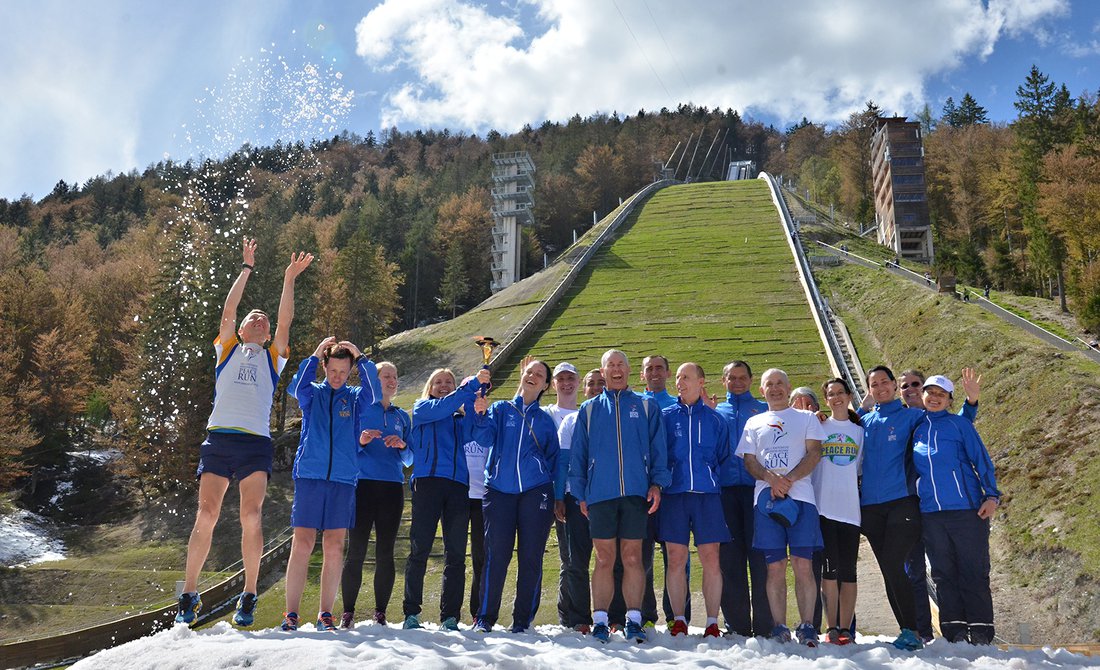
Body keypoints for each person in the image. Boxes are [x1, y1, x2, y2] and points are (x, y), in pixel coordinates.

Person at [176, 239, 312, 627]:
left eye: (264, 321)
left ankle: (249, 593)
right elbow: (228, 310)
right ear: (240, 329)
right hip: (219, 439)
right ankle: (188, 594)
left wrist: (289, 278)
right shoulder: (227, 349)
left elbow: (286, 321)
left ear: (268, 335)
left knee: (251, 515)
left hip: (255, 444)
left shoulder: (273, 357)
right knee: (207, 513)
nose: (260, 320)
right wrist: (246, 268)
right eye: (253, 317)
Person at [569, 349, 671, 643]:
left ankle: (634, 620)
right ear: (602, 372)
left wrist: (657, 483)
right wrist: (581, 493)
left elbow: (659, 449)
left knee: (633, 557)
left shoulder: (647, 405)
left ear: (628, 370)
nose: (616, 369)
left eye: (620, 365)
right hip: (600, 494)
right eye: (610, 365)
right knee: (604, 558)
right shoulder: (589, 409)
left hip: (636, 493)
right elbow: (578, 455)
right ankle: (600, 621)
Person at [283, 338, 380, 632]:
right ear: (324, 367)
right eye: (333, 370)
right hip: (310, 476)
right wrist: (314, 355)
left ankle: (325, 614)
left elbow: (375, 391)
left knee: (335, 546)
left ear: (350, 371)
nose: (337, 377)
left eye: (343, 371)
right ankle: (291, 615)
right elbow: (295, 387)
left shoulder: (355, 398)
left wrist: (361, 358)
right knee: (302, 543)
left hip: (343, 479)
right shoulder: (312, 394)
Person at [736, 368, 825, 646]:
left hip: (801, 499)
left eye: (779, 384)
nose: (775, 389)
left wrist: (789, 479)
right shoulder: (754, 422)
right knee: (774, 566)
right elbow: (749, 461)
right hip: (766, 501)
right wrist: (771, 479)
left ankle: (807, 625)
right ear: (762, 390)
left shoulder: (807, 418)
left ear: (788, 387)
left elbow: (815, 453)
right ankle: (779, 626)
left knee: (802, 564)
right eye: (769, 384)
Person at [471, 360, 562, 633]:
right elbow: (484, 439)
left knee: (531, 556)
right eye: (529, 371)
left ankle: (522, 621)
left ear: (546, 385)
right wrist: (480, 415)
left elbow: (554, 460)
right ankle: (485, 618)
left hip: (536, 492)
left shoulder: (545, 421)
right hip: (499, 491)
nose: (533, 376)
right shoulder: (500, 409)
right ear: (522, 375)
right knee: (496, 555)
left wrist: (551, 493)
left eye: (539, 374)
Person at [893, 367, 981, 643]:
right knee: (914, 570)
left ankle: (968, 627)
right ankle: (923, 631)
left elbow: (961, 423)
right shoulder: (903, 420)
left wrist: (971, 401)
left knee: (951, 567)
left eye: (915, 384)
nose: (910, 389)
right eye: (904, 386)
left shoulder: (938, 417)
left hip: (939, 507)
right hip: (909, 505)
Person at [912, 375, 1000, 645]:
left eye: (941, 394)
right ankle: (954, 630)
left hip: (967, 510)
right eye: (930, 392)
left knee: (973, 570)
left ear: (950, 400)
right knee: (943, 572)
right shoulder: (915, 427)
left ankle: (981, 630)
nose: (935, 398)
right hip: (931, 513)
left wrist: (991, 495)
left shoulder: (959, 424)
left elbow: (981, 459)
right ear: (922, 396)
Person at [402, 367, 490, 631]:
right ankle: (411, 613)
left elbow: (479, 434)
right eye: (438, 382)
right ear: (429, 388)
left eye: (449, 382)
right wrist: (470, 386)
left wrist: (477, 405)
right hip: (428, 482)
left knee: (456, 554)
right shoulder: (422, 408)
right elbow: (443, 407)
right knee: (420, 548)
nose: (443, 385)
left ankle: (450, 616)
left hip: (458, 487)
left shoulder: (459, 419)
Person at [858, 365, 927, 650]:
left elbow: (947, 421)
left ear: (894, 386)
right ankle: (906, 630)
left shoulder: (912, 416)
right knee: (889, 569)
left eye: (885, 382)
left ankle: (914, 630)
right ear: (869, 390)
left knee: (893, 563)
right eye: (874, 384)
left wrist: (971, 404)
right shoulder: (863, 421)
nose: (880, 388)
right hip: (870, 508)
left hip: (902, 502)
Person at [659, 363, 730, 638]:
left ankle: (712, 622)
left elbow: (722, 456)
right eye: (677, 377)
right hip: (674, 496)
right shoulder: (665, 417)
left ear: (701, 382)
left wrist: (709, 477)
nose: (680, 382)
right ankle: (679, 620)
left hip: (706, 497)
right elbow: (659, 454)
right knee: (675, 558)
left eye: (686, 377)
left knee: (711, 558)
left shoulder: (715, 420)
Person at [339, 361, 412, 629]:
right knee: (356, 551)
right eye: (385, 376)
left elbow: (410, 459)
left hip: (392, 488)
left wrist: (402, 445)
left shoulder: (402, 417)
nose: (391, 380)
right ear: (375, 381)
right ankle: (347, 613)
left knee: (385, 552)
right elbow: (346, 447)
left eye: (394, 376)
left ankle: (380, 613)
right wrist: (361, 441)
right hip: (362, 486)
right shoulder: (360, 409)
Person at [714, 360, 773, 637]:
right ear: (723, 380)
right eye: (731, 377)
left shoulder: (763, 410)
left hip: (757, 491)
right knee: (729, 559)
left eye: (742, 377)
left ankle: (765, 625)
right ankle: (736, 625)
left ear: (751, 380)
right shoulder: (716, 412)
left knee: (760, 557)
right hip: (725, 492)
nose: (737, 382)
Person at [812, 378, 864, 645]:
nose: (836, 398)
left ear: (849, 396)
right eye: (831, 394)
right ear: (826, 400)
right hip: (825, 508)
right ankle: (831, 627)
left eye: (840, 392)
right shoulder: (819, 426)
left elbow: (858, 468)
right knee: (829, 572)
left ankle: (846, 629)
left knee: (849, 573)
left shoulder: (859, 432)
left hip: (850, 510)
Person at [556, 368, 605, 633]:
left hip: (608, 498)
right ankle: (579, 618)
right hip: (575, 497)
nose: (596, 388)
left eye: (601, 383)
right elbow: (563, 462)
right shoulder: (571, 421)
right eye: (591, 384)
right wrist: (559, 496)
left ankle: (612, 615)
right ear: (584, 389)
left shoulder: (615, 417)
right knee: (576, 561)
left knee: (611, 559)